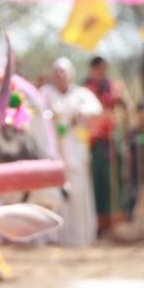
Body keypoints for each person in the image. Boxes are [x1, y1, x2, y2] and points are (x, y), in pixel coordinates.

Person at [41, 57, 103, 245]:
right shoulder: (45, 93)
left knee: (78, 192)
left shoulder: (81, 93)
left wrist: (82, 112)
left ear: (71, 74)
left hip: (76, 152)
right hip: (52, 154)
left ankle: (80, 237)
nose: (60, 75)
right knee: (53, 193)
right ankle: (54, 237)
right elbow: (36, 111)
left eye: (64, 71)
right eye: (57, 71)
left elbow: (96, 107)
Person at [82, 56, 128, 236]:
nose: (102, 73)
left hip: (111, 138)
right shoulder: (85, 89)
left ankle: (117, 223)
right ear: (92, 70)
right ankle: (101, 224)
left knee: (115, 181)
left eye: (104, 69)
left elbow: (121, 104)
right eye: (99, 69)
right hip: (94, 140)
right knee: (98, 181)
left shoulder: (112, 86)